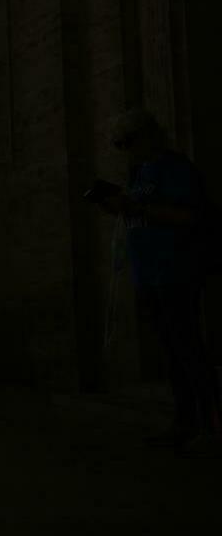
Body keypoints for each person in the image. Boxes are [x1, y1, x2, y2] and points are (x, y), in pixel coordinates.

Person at [96, 108, 220, 453]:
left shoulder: (175, 169)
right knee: (171, 352)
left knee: (189, 349)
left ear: (148, 136)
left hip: (176, 270)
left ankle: (210, 425)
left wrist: (138, 209)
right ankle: (184, 422)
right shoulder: (139, 173)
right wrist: (120, 206)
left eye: (128, 141)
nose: (124, 149)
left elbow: (188, 215)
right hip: (148, 274)